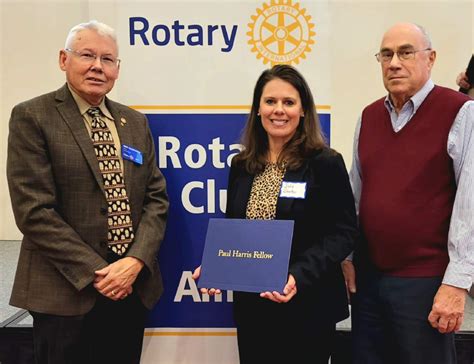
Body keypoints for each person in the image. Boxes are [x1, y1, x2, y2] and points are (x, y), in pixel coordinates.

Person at [6, 20, 169, 364]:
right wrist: (100, 272)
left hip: (130, 288)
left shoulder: (135, 123)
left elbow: (155, 199)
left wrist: (134, 261)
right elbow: (34, 211)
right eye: (87, 55)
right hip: (65, 292)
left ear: (117, 70)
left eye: (107, 59)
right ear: (64, 60)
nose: (98, 66)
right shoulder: (33, 117)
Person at [193, 64, 358, 363]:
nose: (278, 110)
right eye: (270, 101)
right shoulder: (241, 165)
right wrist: (218, 266)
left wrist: (297, 275)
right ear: (258, 109)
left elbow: (343, 232)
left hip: (308, 302)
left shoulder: (325, 163)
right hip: (253, 307)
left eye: (289, 102)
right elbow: (236, 228)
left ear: (303, 110)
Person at [342, 23, 474, 364]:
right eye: (386, 54)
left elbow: (470, 204)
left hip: (427, 284)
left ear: (430, 58)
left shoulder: (460, 111)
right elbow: (356, 196)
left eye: (405, 52)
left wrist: (457, 284)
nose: (394, 63)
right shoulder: (369, 117)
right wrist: (348, 257)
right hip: (369, 283)